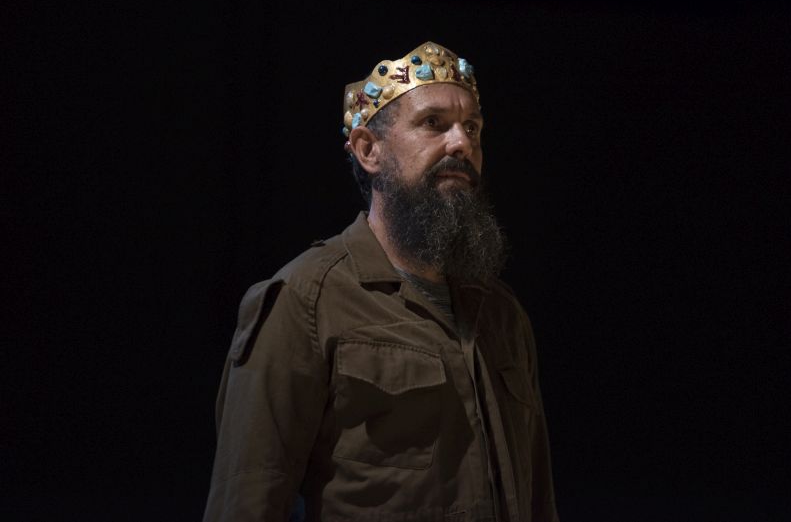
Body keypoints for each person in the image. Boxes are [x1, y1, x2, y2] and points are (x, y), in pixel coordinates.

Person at [202, 41, 559, 521]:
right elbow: (246, 503)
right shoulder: (306, 301)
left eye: (471, 127)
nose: (461, 144)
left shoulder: (501, 313)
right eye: (433, 124)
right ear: (369, 150)